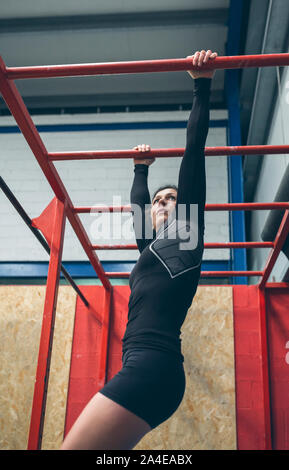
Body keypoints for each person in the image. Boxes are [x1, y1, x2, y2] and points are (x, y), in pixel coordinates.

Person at [60, 49, 218, 450]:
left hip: (153, 365)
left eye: (170, 199)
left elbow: (194, 153)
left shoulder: (187, 234)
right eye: (159, 200)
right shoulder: (153, 248)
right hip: (146, 367)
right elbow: (137, 212)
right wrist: (140, 169)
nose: (161, 203)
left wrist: (201, 84)